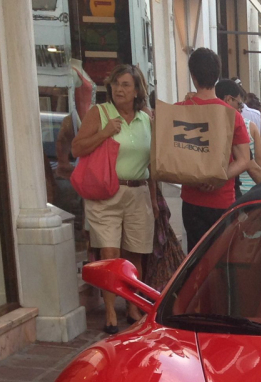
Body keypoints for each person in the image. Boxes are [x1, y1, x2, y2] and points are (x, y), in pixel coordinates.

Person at [72, 63, 157, 333]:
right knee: (110, 253)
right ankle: (110, 311)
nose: (119, 89)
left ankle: (131, 306)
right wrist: (104, 133)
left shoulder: (147, 119)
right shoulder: (100, 112)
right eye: (116, 84)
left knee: (136, 254)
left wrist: (155, 199)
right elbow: (77, 147)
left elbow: (154, 163)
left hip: (139, 191)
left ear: (136, 91)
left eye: (125, 85)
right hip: (106, 192)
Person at [174, 49, 251, 253]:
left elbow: (172, 156)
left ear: (192, 75)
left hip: (191, 199)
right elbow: (244, 160)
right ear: (217, 76)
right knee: (222, 258)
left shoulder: (179, 110)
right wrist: (218, 176)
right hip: (222, 199)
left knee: (195, 259)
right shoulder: (232, 115)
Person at [215, 79, 261, 196]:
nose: (240, 110)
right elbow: (250, 163)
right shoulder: (237, 124)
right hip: (226, 196)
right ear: (228, 99)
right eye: (239, 104)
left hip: (193, 199)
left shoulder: (200, 116)